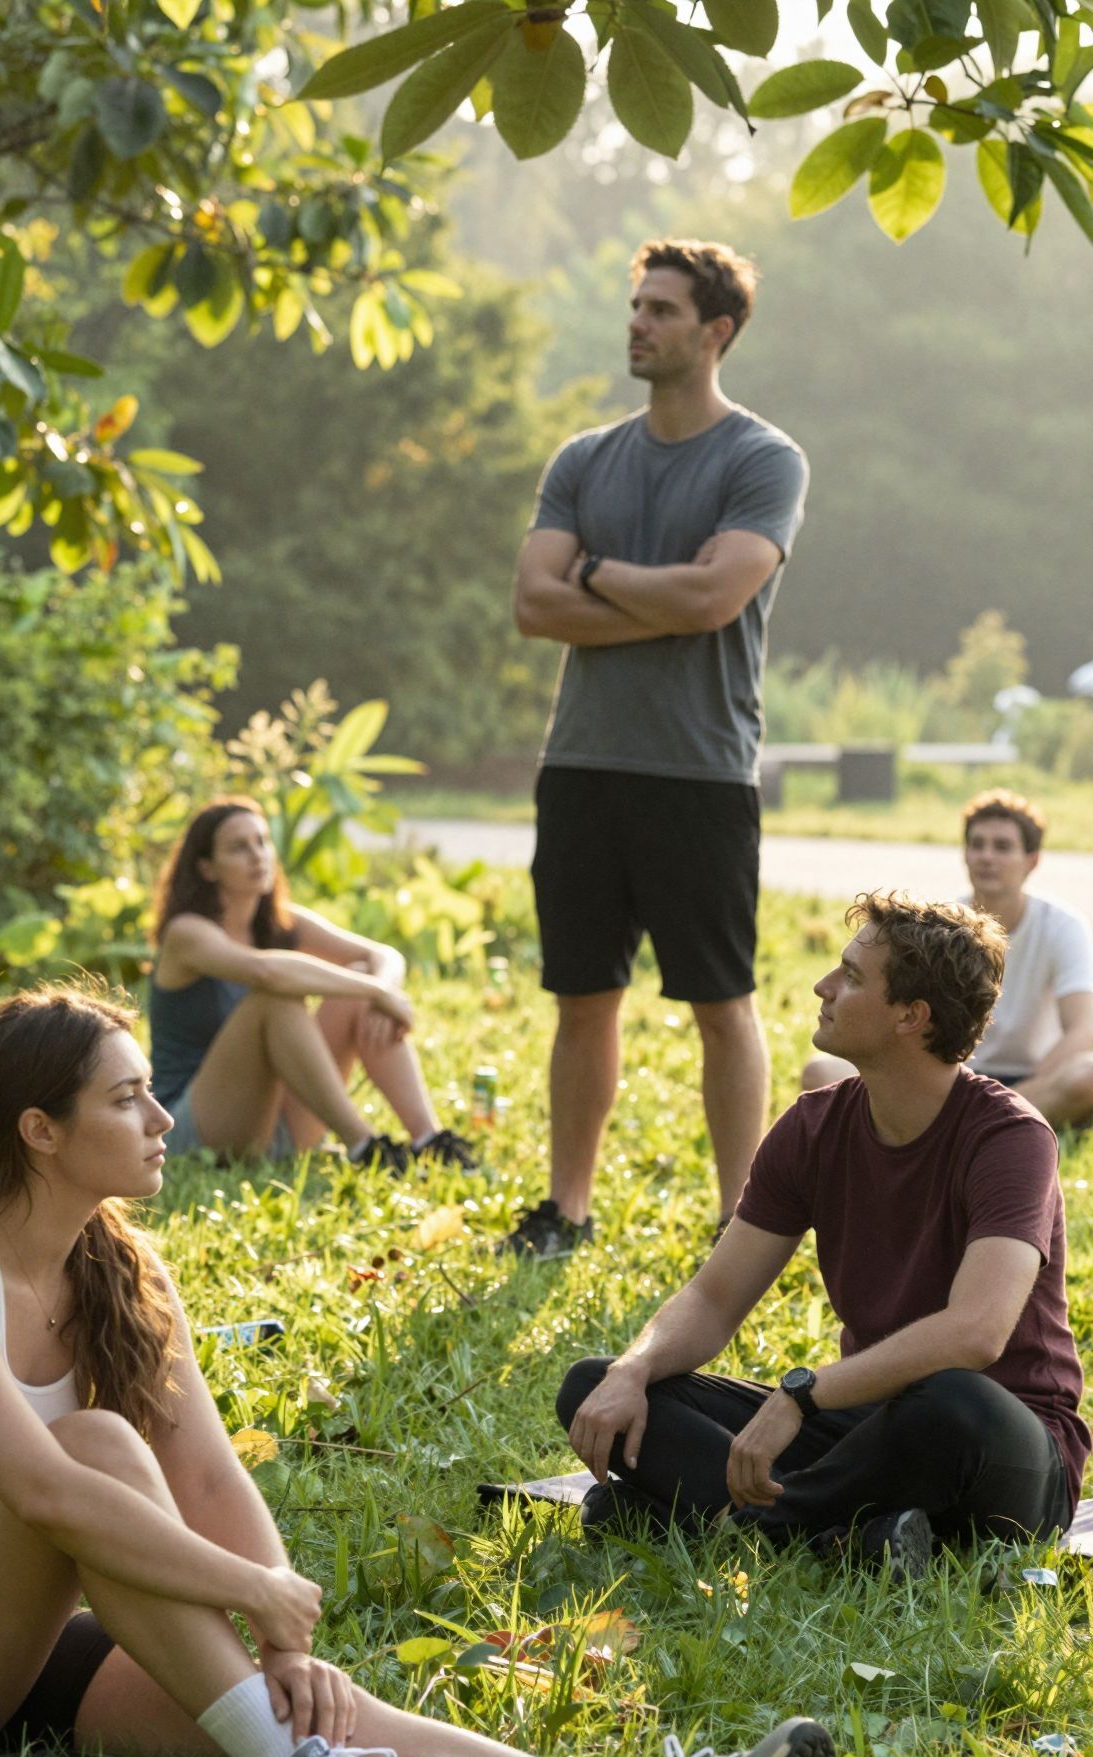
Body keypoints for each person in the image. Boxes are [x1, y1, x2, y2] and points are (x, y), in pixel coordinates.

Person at [0, 982, 835, 1757]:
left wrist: (285, 1637)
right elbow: (46, 1493)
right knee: (95, 1450)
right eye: (129, 1098)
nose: (163, 1119)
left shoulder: (121, 1266)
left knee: (300, 1708)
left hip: (24, 1639)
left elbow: (208, 1472)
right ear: (39, 1129)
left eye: (152, 1092)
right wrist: (250, 1590)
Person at [558, 894, 1088, 1576]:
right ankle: (837, 1539)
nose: (823, 987)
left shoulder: (1010, 1139)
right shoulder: (813, 1126)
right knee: (594, 1386)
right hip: (866, 1429)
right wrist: (631, 1372)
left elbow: (976, 1333)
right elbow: (715, 1299)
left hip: (1003, 1447)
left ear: (911, 1016)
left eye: (852, 977)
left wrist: (802, 1394)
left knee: (951, 1400)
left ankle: (724, 1522)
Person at [505, 240, 809, 1258]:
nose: (639, 322)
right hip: (584, 766)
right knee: (582, 996)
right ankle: (567, 1210)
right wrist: (661, 594)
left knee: (721, 1003)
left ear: (716, 331)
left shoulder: (763, 459)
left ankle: (742, 1222)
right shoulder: (585, 458)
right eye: (636, 305)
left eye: (663, 310)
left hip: (701, 772)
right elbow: (532, 604)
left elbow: (719, 595)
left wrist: (597, 573)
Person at [148, 798, 473, 1171]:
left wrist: (378, 993)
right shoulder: (187, 933)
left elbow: (384, 955)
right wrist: (378, 991)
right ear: (206, 867)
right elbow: (267, 973)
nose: (258, 856)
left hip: (279, 1128)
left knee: (357, 989)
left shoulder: (282, 923)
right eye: (239, 847)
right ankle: (364, 1147)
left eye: (262, 841)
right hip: (196, 1128)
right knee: (277, 998)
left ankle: (429, 1140)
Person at [802, 790, 1093, 1126]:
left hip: (1034, 1078)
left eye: (1002, 847)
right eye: (977, 844)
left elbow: (1083, 1029)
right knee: (820, 1072)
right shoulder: (940, 927)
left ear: (1032, 860)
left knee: (1087, 1074)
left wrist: (1014, 1097)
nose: (986, 856)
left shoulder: (1062, 926)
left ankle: (982, 1120)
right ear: (964, 854)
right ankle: (981, 1122)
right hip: (946, 1077)